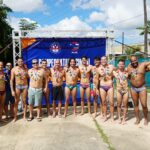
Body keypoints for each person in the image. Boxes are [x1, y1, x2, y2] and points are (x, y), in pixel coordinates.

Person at [127, 56, 150, 125]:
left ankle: (146, 119)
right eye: (132, 61)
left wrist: (148, 67)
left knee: (144, 105)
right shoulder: (129, 67)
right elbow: (128, 77)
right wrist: (128, 75)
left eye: (135, 60)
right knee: (135, 104)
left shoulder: (143, 64)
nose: (134, 62)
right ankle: (137, 119)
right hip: (133, 88)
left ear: (137, 60)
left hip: (142, 88)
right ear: (130, 62)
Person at [10, 57, 28, 122]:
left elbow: (28, 77)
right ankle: (15, 117)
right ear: (17, 62)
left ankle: (24, 116)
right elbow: (11, 80)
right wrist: (12, 90)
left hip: (25, 86)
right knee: (16, 102)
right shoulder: (13, 69)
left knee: (24, 101)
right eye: (19, 61)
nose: (20, 62)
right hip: (17, 86)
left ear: (23, 62)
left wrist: (26, 71)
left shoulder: (25, 69)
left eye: (21, 61)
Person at [98, 56, 114, 122]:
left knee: (111, 102)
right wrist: (96, 88)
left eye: (104, 59)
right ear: (101, 61)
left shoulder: (111, 66)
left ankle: (112, 117)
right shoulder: (99, 68)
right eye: (102, 60)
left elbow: (118, 71)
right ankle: (105, 116)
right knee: (103, 102)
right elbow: (98, 78)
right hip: (102, 86)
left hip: (110, 86)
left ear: (107, 60)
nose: (103, 61)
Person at [113, 60, 128, 124]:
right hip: (118, 90)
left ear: (124, 65)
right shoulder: (115, 72)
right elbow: (111, 69)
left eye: (122, 64)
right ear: (118, 65)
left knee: (125, 105)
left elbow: (130, 66)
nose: (121, 65)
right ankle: (119, 118)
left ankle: (124, 118)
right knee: (119, 105)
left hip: (126, 90)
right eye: (120, 64)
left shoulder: (127, 71)